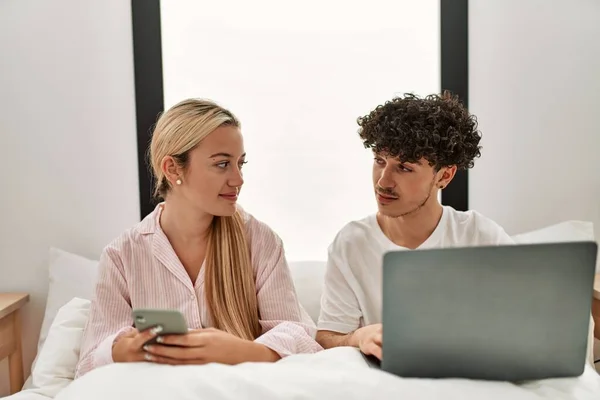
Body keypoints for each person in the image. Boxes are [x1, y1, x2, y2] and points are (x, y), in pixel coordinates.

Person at [75, 99, 321, 378]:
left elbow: (300, 337)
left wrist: (240, 351)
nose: (238, 179)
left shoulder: (260, 241)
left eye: (240, 163)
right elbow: (86, 369)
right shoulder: (122, 256)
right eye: (222, 164)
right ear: (173, 169)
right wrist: (120, 351)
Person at [315, 92, 513, 360]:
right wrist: (358, 337)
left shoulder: (481, 236)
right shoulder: (351, 243)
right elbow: (327, 337)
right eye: (380, 161)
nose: (383, 181)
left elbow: (527, 321)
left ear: (445, 175)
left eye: (404, 168)